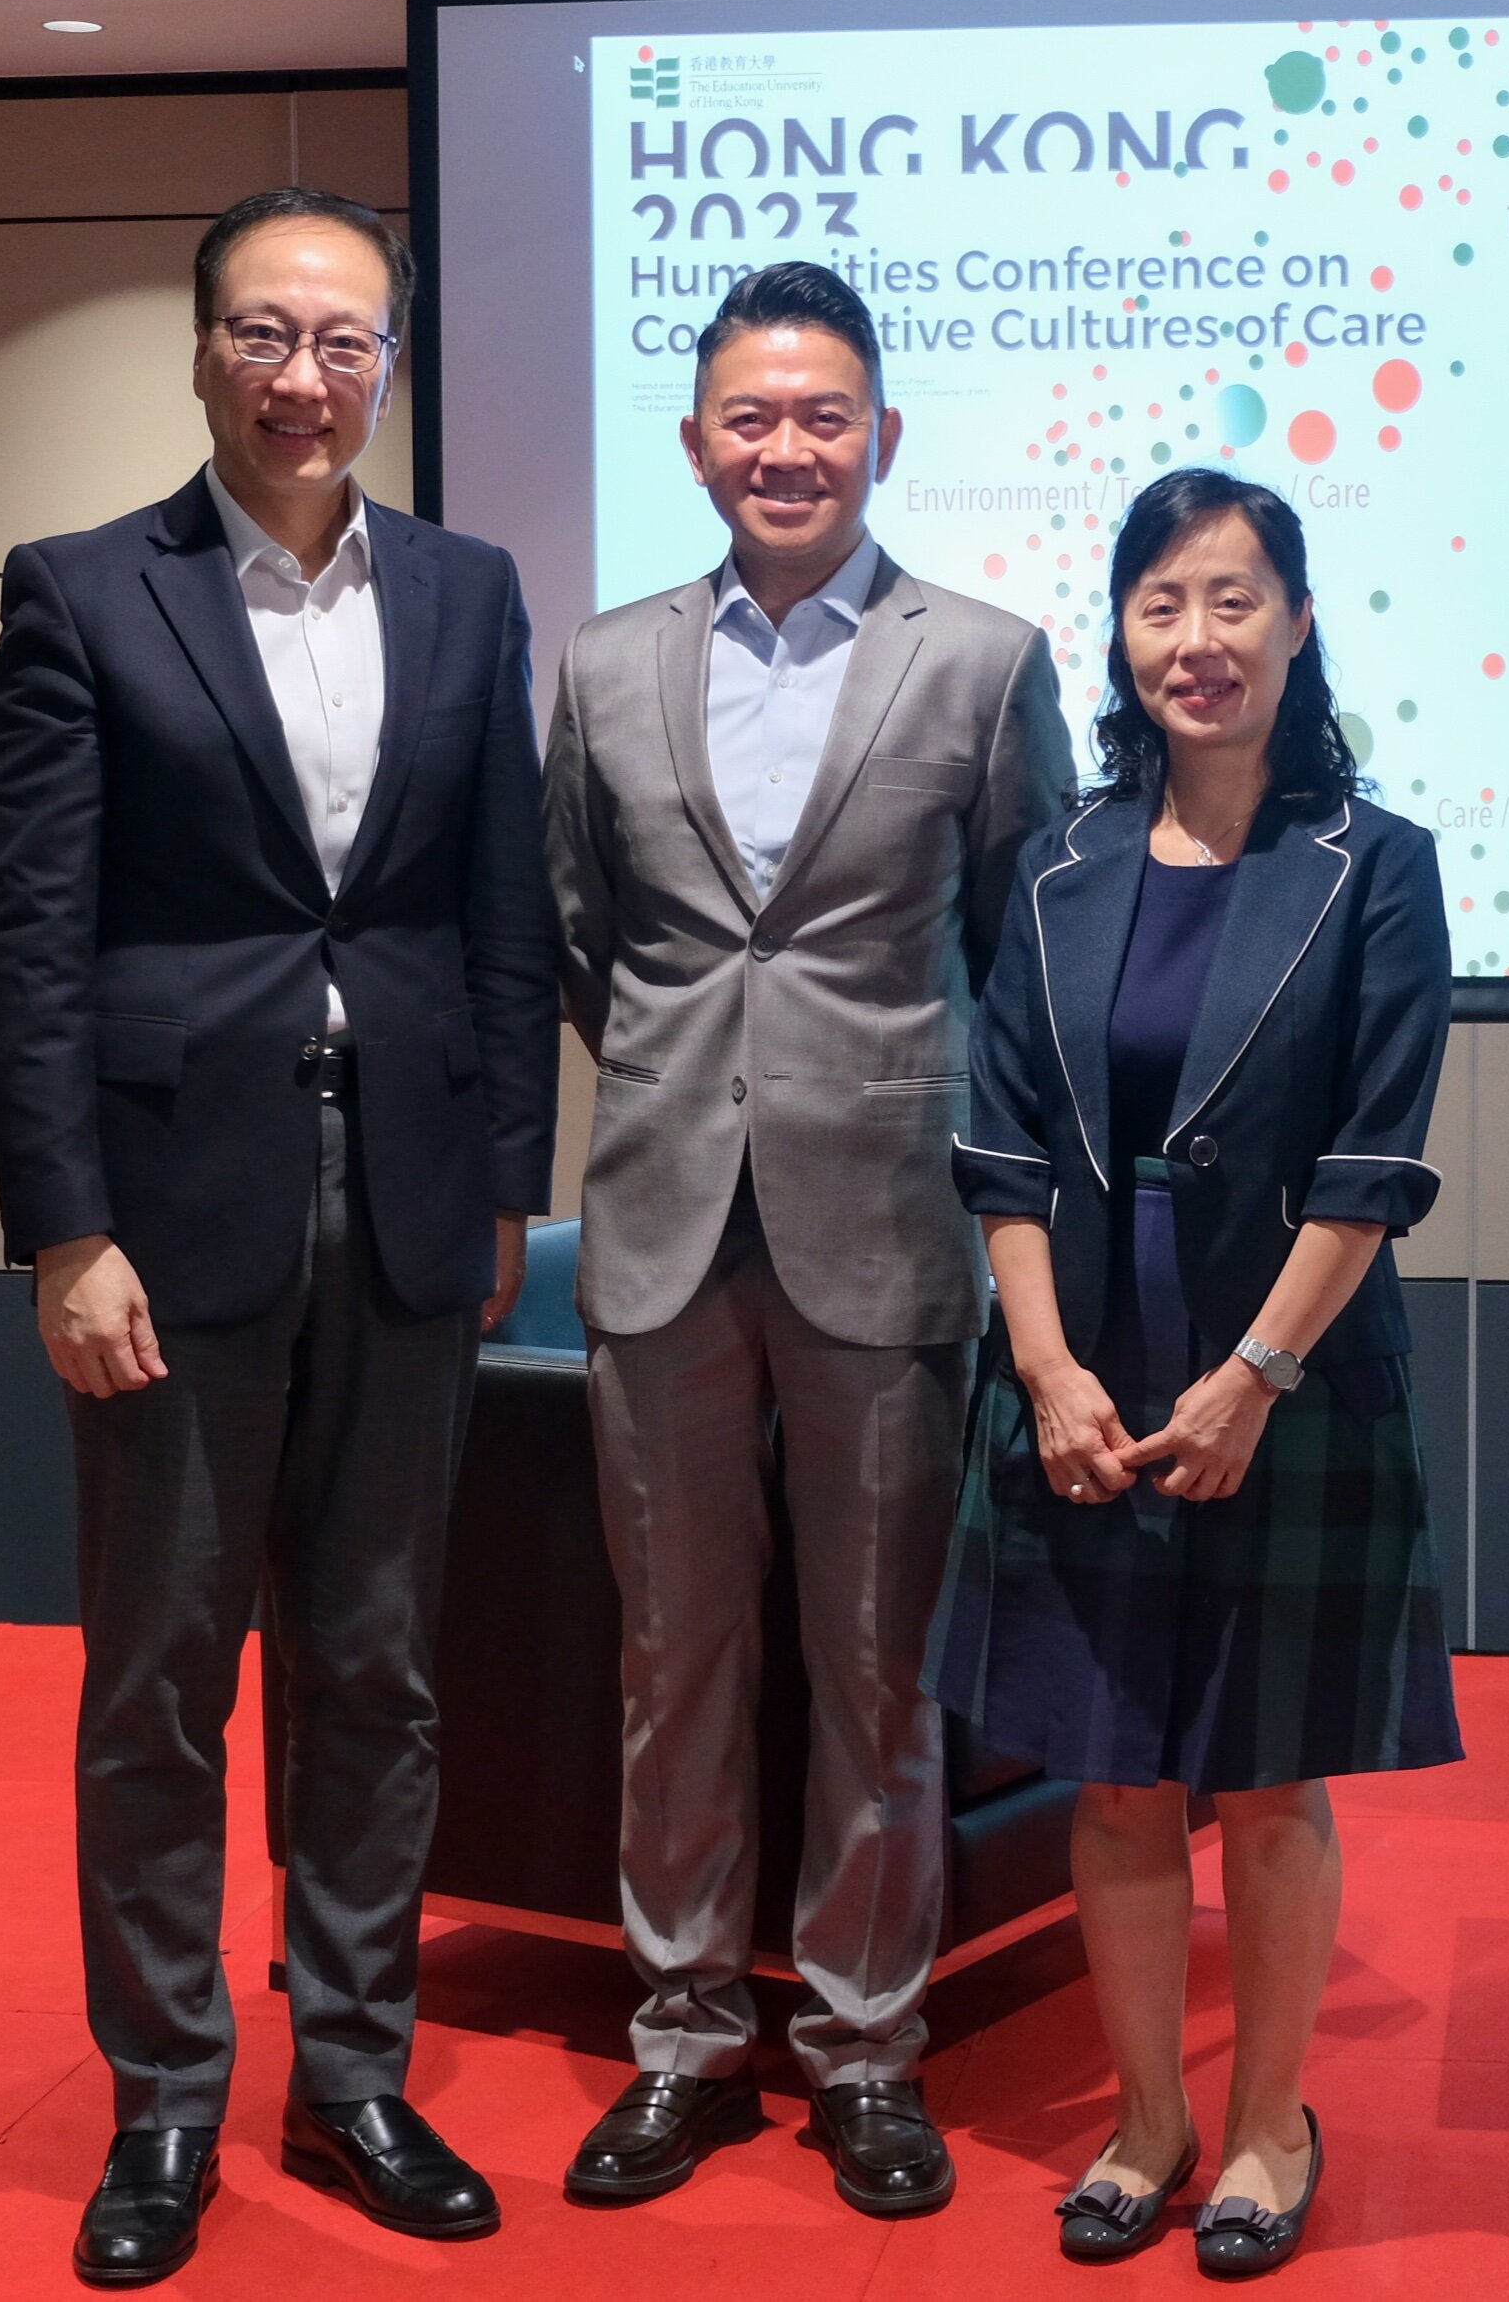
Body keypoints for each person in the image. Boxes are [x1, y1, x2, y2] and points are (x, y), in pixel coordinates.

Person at [0, 186, 556, 2288]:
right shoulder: (79, 597)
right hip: (171, 1214)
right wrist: (63, 1232)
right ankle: (160, 2104)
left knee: (378, 1671)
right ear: (201, 351)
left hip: (406, 1201)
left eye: (345, 343)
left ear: (388, 366)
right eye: (266, 335)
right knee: (156, 1685)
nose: (306, 377)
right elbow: (29, 946)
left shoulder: (474, 597)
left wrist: (506, 1183)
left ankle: (359, 2072)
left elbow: (504, 920)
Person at [541, 261, 1074, 2216]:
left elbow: (1032, 945)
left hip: (893, 1227)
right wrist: (705, 1076)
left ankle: (863, 2046)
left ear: (882, 439)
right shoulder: (598, 666)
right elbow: (577, 932)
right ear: (697, 443)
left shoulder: (985, 660)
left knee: (872, 1668)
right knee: (672, 1660)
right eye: (750, 417)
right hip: (666, 1223)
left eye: (821, 415)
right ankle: (681, 2035)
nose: (786, 447)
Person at [930, 468, 1460, 2280]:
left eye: (1235, 601)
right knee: (1109, 1779)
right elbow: (996, 1142)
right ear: (1122, 630)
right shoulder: (1058, 862)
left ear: (1297, 625)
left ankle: (1265, 2124)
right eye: (1163, 603)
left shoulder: (1372, 865)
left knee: (1264, 1780)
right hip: (1081, 1368)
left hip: (1281, 1374)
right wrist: (1045, 1366)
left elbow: (1376, 1160)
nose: (1198, 640)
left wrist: (1251, 1376)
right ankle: (1147, 2114)